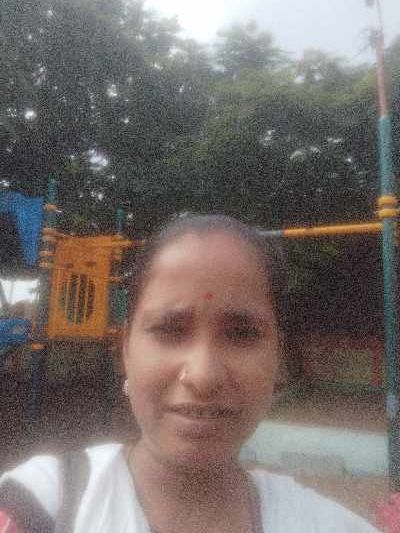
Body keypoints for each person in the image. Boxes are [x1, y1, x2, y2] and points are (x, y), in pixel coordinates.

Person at [0, 214, 380, 532]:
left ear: (277, 357)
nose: (203, 376)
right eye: (169, 330)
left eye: (242, 334)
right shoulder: (41, 504)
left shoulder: (331, 525)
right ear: (125, 351)